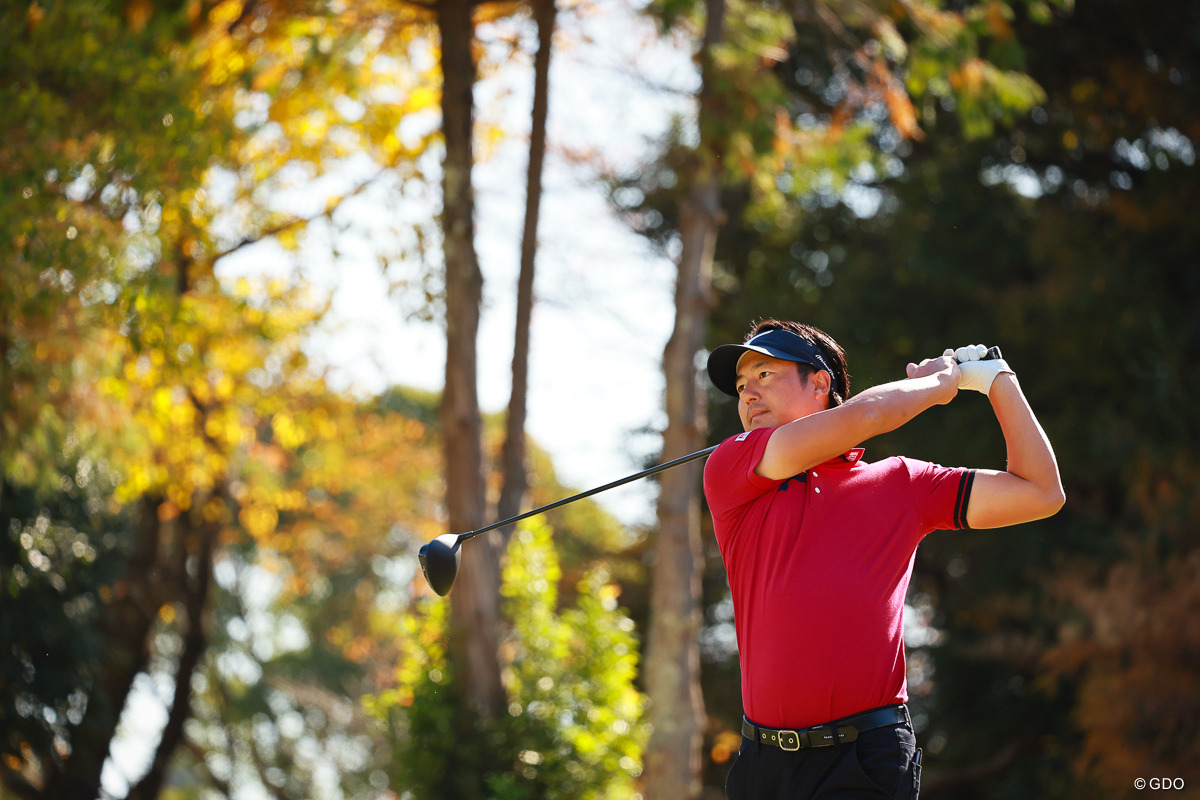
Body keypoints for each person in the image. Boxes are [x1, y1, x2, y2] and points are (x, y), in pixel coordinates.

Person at [703, 319, 1064, 800]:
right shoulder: (731, 467)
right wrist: (940, 383)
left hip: (864, 760)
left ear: (820, 382)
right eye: (742, 386)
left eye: (765, 374)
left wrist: (997, 380)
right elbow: (867, 415)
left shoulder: (903, 484)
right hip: (761, 766)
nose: (748, 395)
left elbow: (1040, 492)